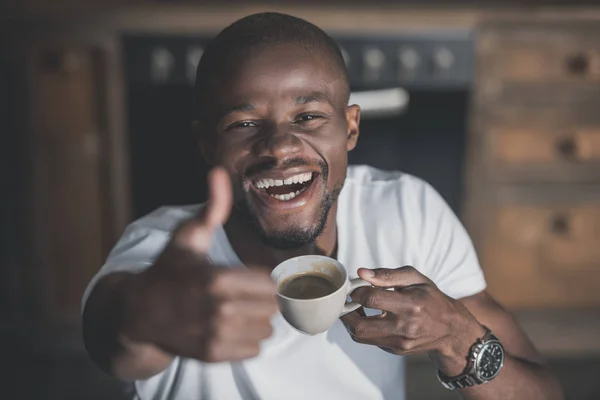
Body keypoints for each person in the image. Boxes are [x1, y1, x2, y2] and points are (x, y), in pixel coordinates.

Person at [82, 12, 564, 400]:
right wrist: (149, 317)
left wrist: (459, 340)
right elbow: (113, 337)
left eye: (308, 116)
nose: (280, 147)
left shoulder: (407, 210)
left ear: (350, 128)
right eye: (244, 124)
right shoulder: (163, 250)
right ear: (206, 143)